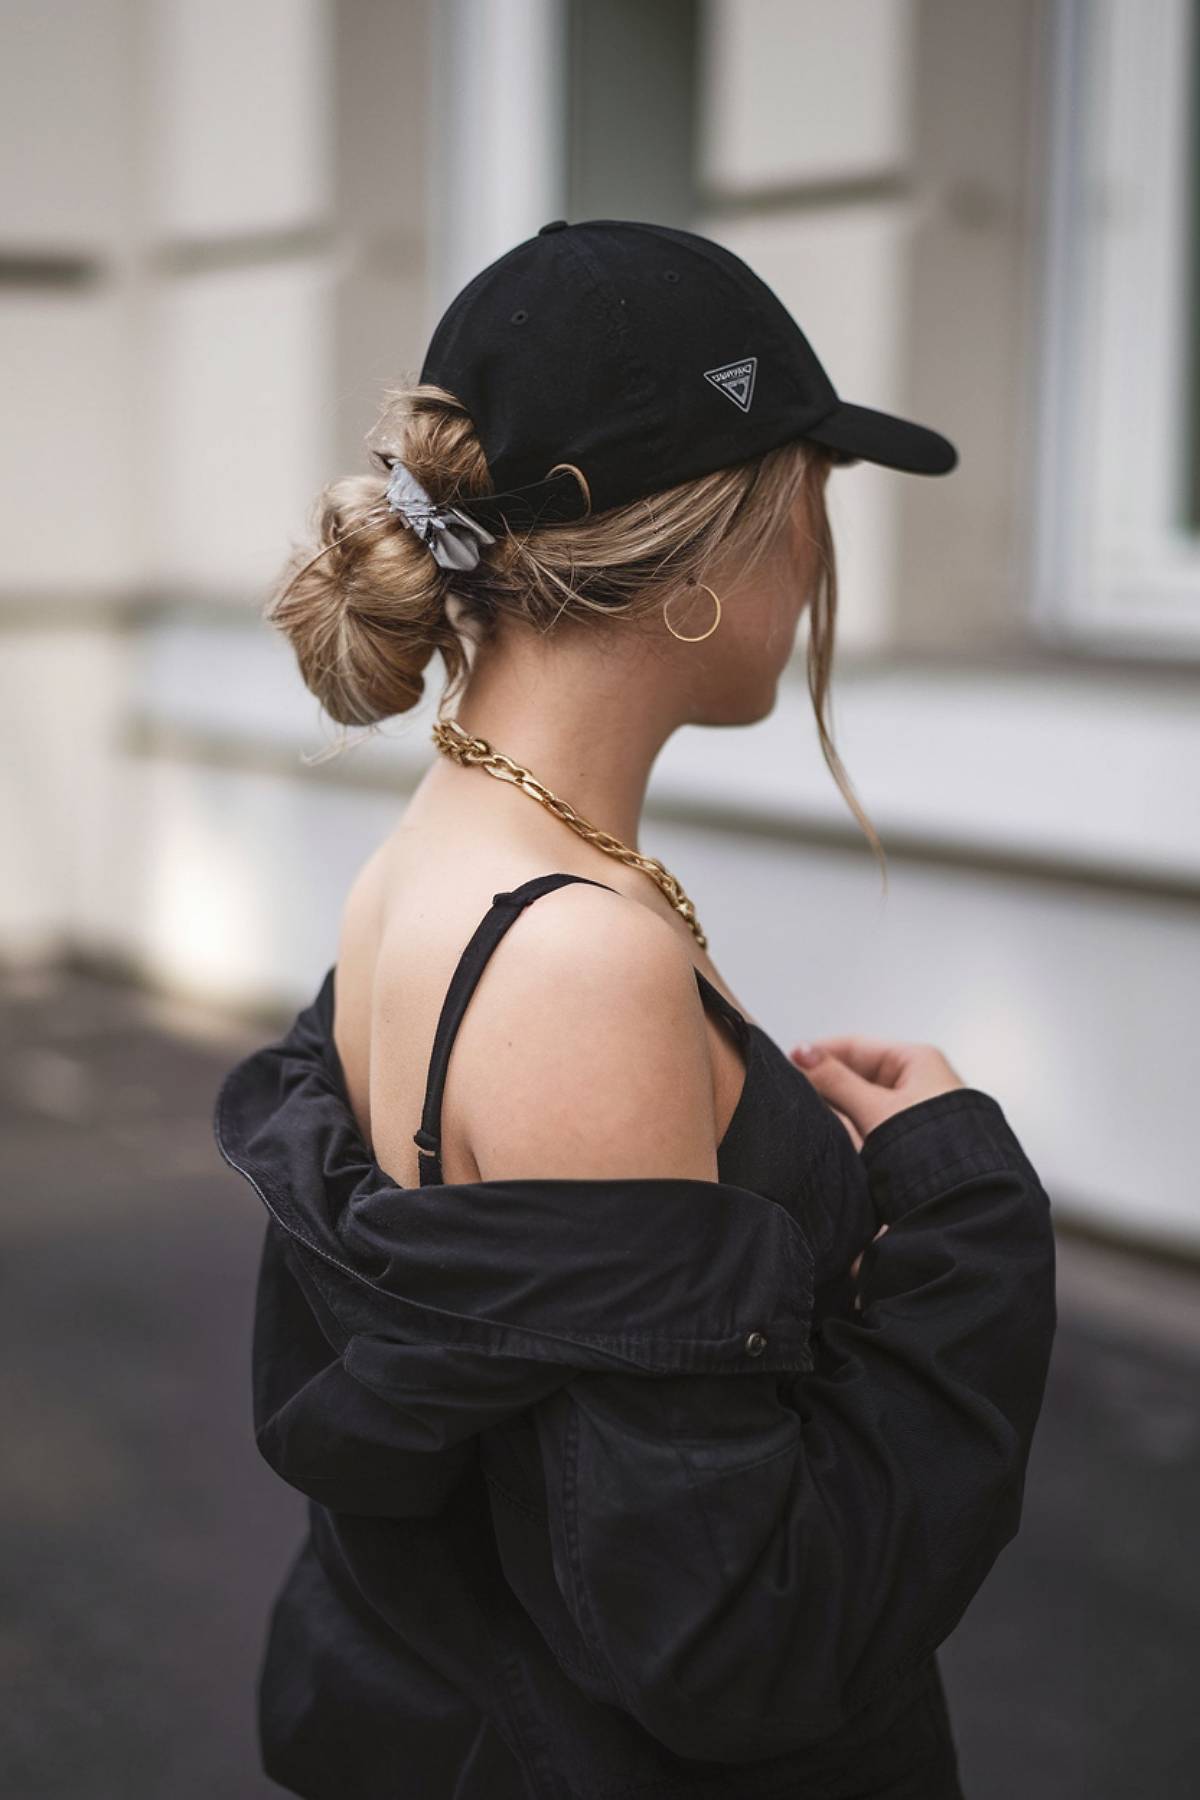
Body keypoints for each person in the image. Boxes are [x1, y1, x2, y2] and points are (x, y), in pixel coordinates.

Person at [213, 218, 1057, 1800]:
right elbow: (737, 1639)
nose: (819, 550)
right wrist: (962, 1208)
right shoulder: (571, 955)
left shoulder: (437, 860)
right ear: (705, 552)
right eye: (808, 489)